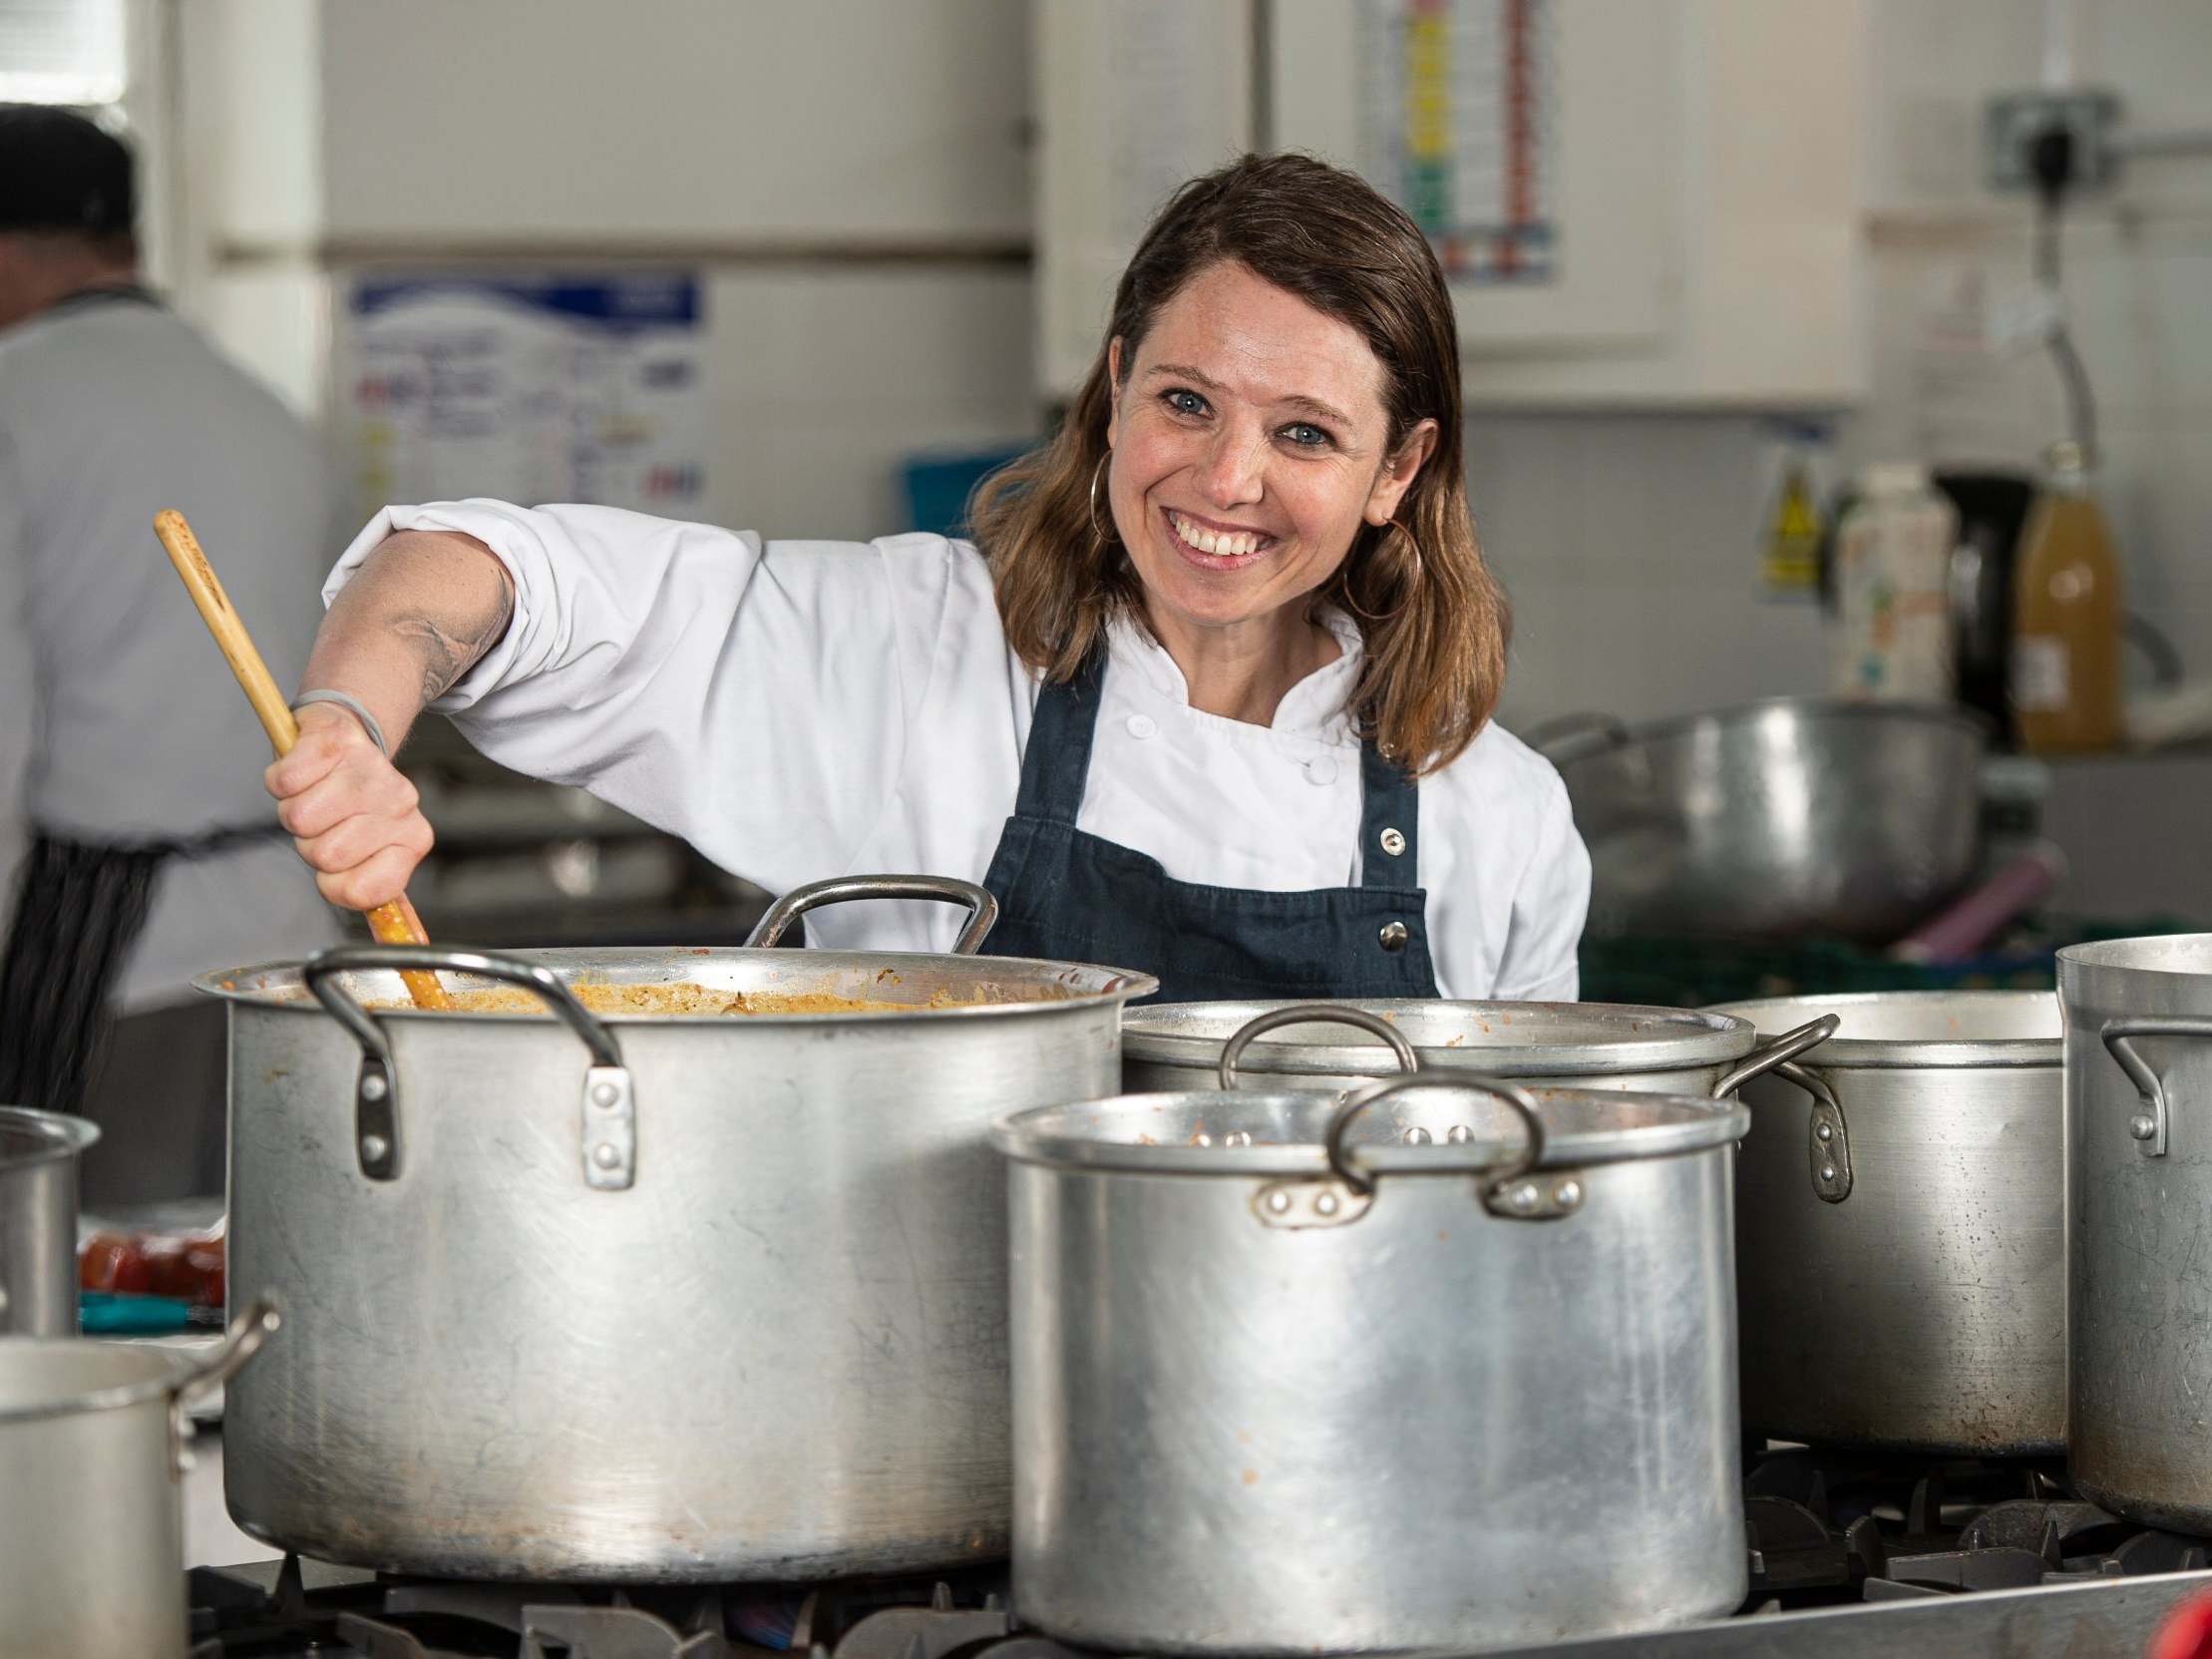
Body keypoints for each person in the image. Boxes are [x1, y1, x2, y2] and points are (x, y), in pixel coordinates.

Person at [268, 154, 1589, 1002]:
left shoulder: (1494, 817)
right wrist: (348, 725)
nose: (1226, 478)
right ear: (1117, 386)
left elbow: (1523, 1213)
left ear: (1396, 469)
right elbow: (465, 572)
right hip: (947, 1412)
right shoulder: (917, 656)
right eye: (1185, 401)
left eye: (1303, 433)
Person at [0, 107, 339, 1204]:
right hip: (287, 940)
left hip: (106, 960)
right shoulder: (266, 409)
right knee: (245, 1274)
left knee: (78, 1288)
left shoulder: (20, 402)